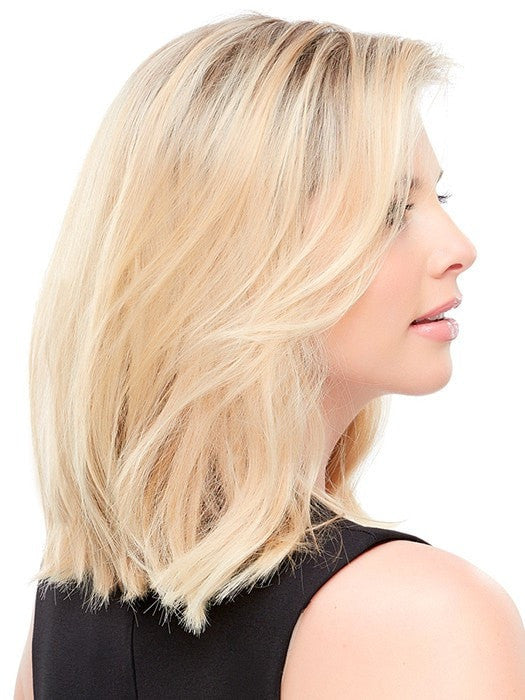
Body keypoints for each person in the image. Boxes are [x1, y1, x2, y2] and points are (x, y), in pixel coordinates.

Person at [15, 11, 525, 698]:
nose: (460, 247)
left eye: (439, 196)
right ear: (241, 258)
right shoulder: (428, 618)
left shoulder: (62, 618)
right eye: (389, 210)